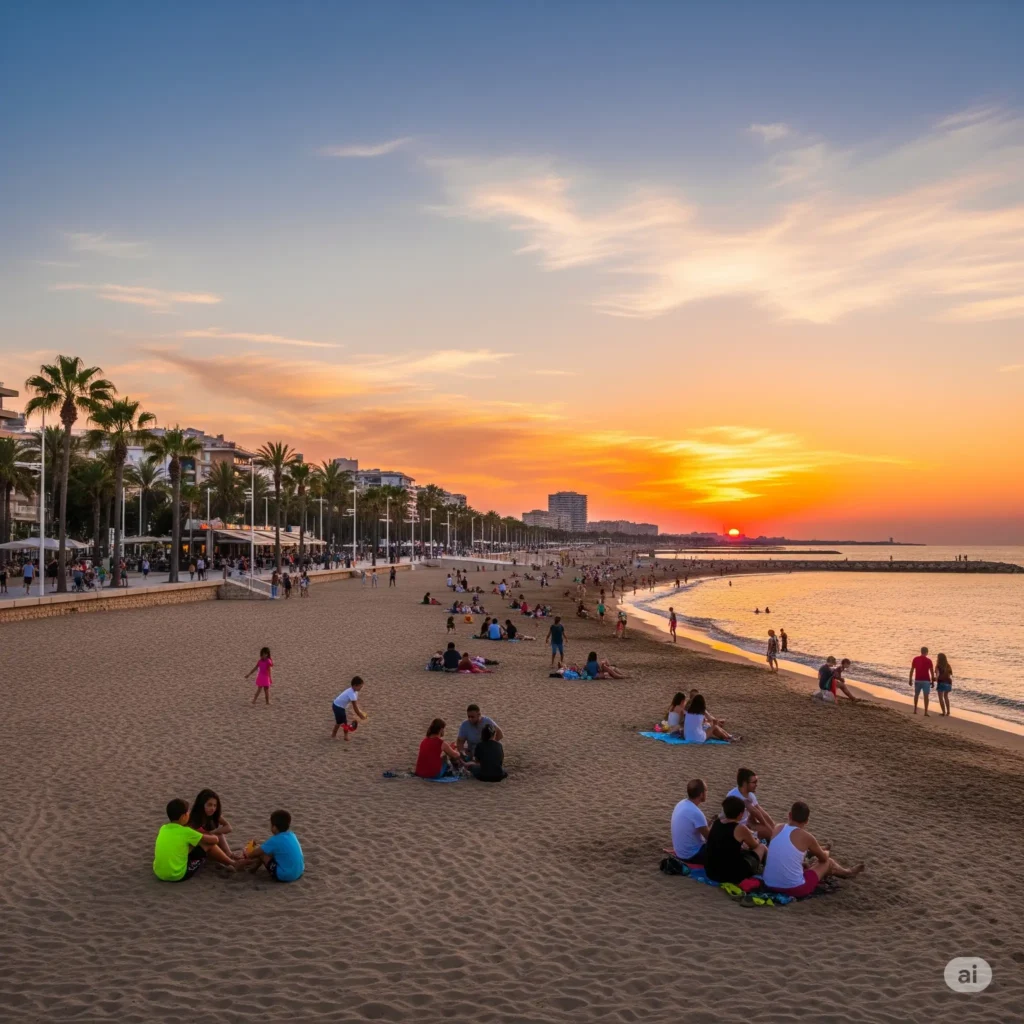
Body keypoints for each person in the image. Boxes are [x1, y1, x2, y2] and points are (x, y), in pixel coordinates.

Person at [763, 802, 863, 896]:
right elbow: (823, 859)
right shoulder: (807, 837)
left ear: (789, 815)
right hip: (794, 888)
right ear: (807, 821)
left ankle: (845, 872)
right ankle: (847, 873)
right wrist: (826, 852)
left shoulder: (778, 827)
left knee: (805, 863)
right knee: (828, 862)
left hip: (768, 883)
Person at [153, 797, 235, 881]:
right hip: (177, 875)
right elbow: (215, 840)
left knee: (190, 844)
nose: (189, 813)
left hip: (158, 873)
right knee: (208, 845)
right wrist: (210, 834)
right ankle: (232, 863)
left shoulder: (163, 828)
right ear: (183, 817)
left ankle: (229, 859)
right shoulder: (186, 831)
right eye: (187, 812)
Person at [703, 795, 766, 885]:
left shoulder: (716, 823)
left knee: (743, 849)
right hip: (728, 875)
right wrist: (757, 840)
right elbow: (754, 846)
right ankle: (771, 871)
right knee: (762, 847)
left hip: (710, 871)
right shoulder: (740, 828)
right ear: (740, 814)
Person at [238, 809, 305, 882]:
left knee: (262, 853)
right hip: (299, 871)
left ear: (274, 828)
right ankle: (253, 867)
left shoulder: (275, 840)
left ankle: (252, 870)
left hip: (285, 876)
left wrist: (248, 854)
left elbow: (257, 852)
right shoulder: (292, 835)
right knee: (270, 851)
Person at [727, 768, 775, 839]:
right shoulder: (733, 796)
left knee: (774, 829)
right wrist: (769, 829)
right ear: (744, 783)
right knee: (769, 832)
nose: (756, 785)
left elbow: (761, 812)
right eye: (754, 782)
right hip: (737, 829)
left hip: (748, 825)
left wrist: (772, 826)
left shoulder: (750, 795)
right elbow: (755, 812)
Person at [670, 779, 710, 863]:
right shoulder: (696, 813)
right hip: (691, 855)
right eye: (706, 790)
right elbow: (710, 839)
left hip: (679, 852)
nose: (707, 793)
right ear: (701, 794)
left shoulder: (681, 803)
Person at [188, 789, 234, 857]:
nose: (213, 808)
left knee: (219, 834)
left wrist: (213, 832)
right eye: (209, 805)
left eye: (215, 805)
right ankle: (229, 856)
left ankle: (229, 854)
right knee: (216, 836)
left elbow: (229, 827)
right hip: (196, 847)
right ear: (202, 804)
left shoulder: (213, 815)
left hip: (208, 844)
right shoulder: (192, 817)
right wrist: (208, 835)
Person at [909, 646, 935, 716]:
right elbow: (932, 672)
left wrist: (910, 679)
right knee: (926, 696)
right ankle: (925, 712)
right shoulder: (929, 660)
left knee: (916, 695)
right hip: (926, 680)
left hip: (917, 679)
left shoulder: (915, 659)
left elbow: (912, 670)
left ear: (921, 651)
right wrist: (933, 681)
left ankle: (915, 710)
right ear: (927, 652)